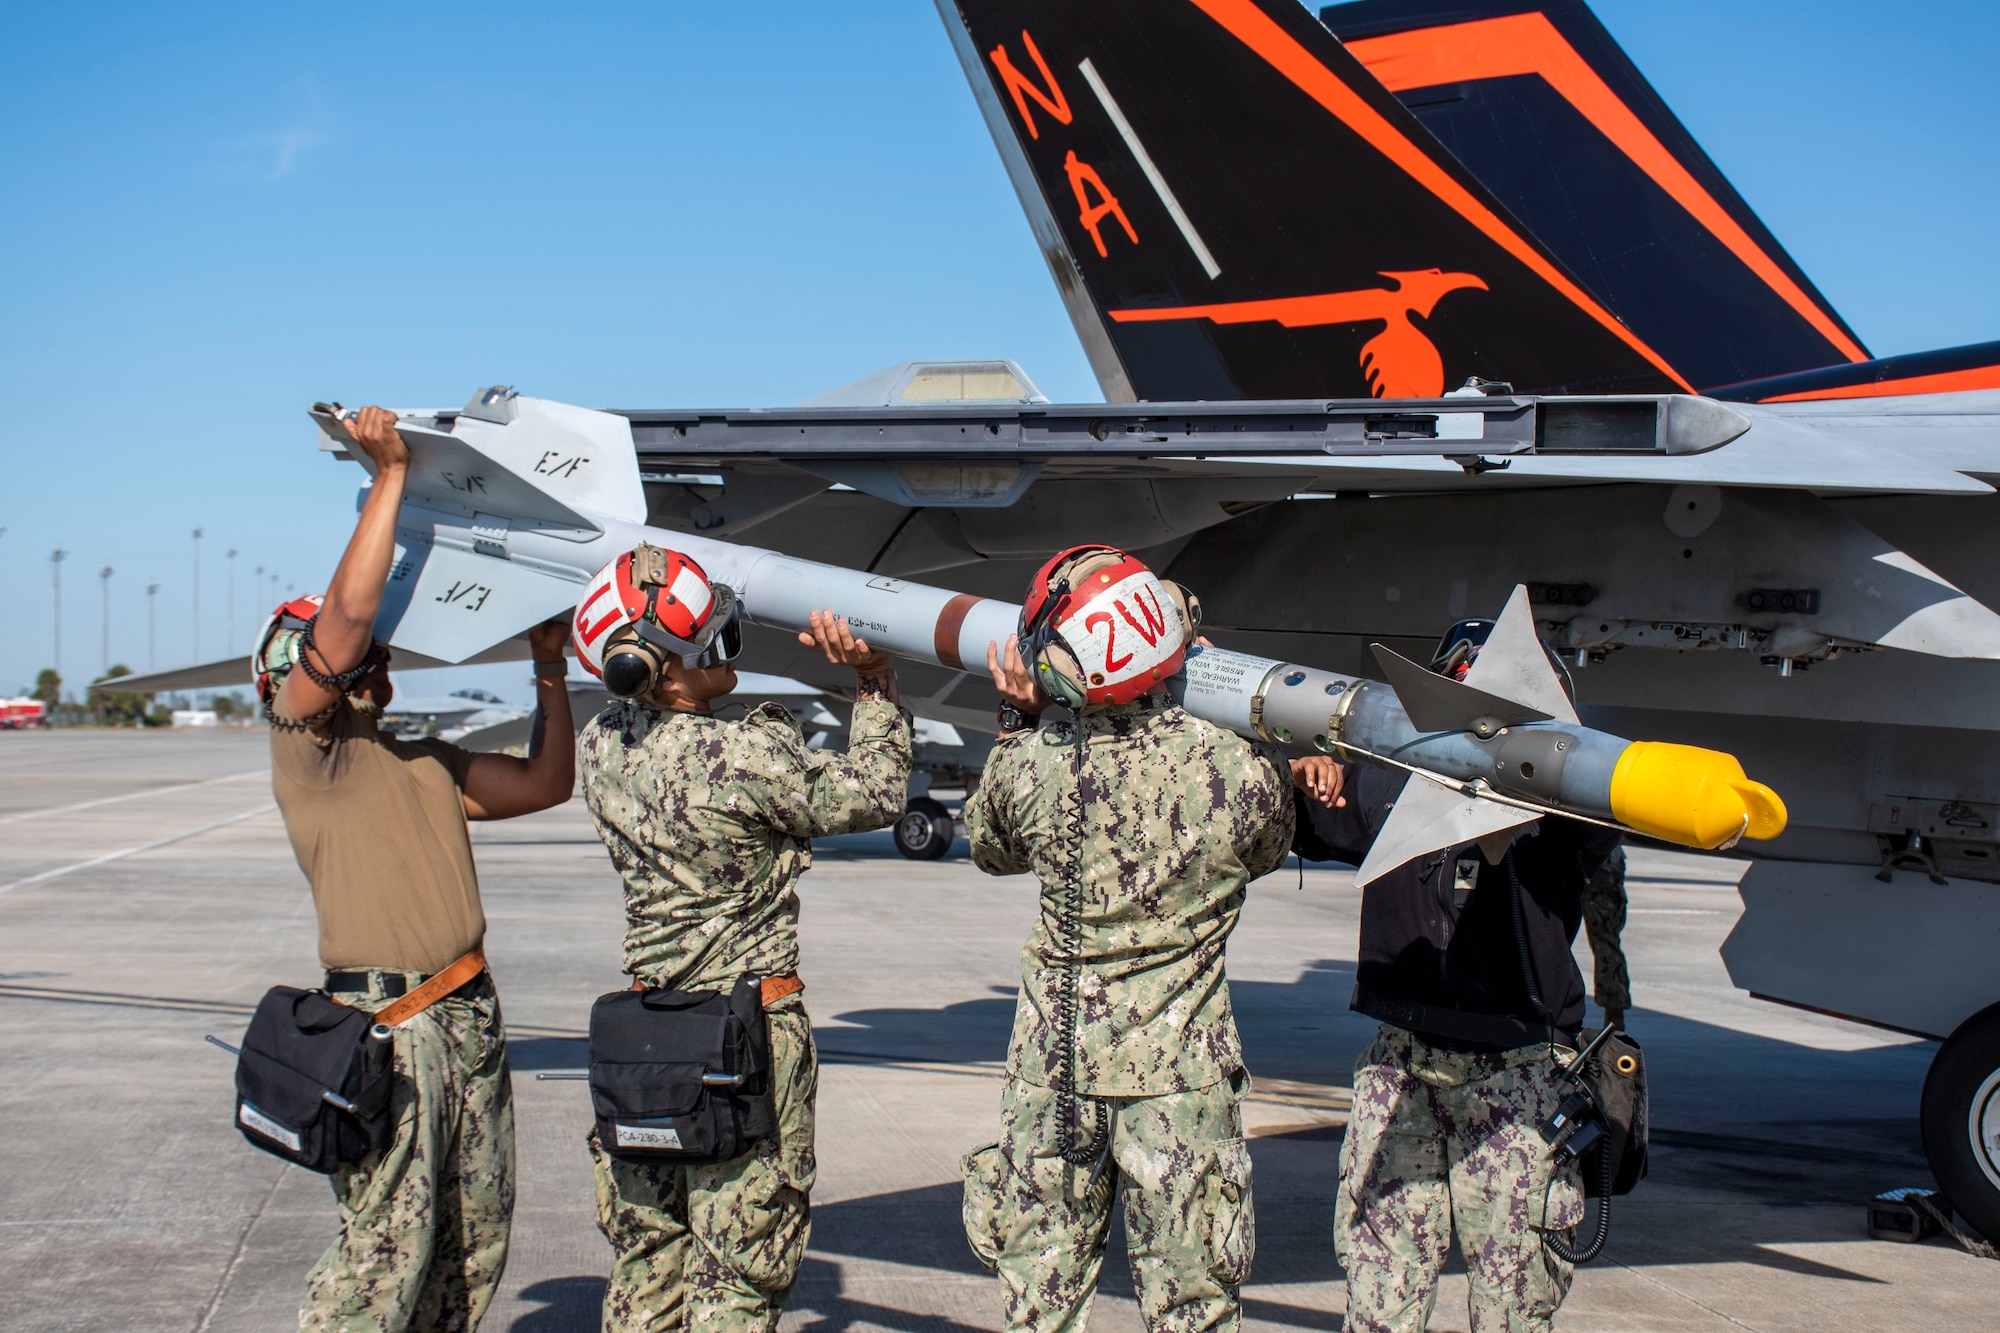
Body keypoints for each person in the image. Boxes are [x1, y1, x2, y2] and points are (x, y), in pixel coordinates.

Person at [260, 405, 578, 1332]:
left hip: (466, 1015)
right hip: (388, 1028)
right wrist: (391, 474)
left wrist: (547, 671)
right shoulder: (303, 746)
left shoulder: (420, 761)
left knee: (468, 1246)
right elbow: (348, 618)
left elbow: (544, 783)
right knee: (379, 1267)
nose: (376, 662)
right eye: (354, 662)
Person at [959, 545, 1317, 1333]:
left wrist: (1019, 721)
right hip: (1179, 1081)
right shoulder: (1236, 772)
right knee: (1192, 1308)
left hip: (1051, 1074)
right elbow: (1268, 843)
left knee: (1040, 1305)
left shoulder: (1030, 768)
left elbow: (987, 843)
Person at [572, 542, 913, 1333]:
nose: (732, 651)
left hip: (645, 1036)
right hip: (742, 1037)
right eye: (718, 641)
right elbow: (877, 791)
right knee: (739, 1277)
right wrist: (873, 682)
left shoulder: (603, 746)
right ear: (668, 670)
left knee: (647, 1269)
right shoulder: (743, 754)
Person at [1290, 617, 1620, 1333]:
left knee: (1512, 1304)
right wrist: (1299, 772)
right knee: (1380, 1290)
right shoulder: (1388, 784)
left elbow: (1602, 811)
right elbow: (1300, 818)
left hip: (1517, 1072)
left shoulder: (1555, 812)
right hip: (1401, 1066)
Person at [1582, 844, 1630, 1029]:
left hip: (1595, 859)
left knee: (1548, 935)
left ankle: (1614, 1016)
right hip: (1605, 857)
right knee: (1607, 943)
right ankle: (1614, 1014)